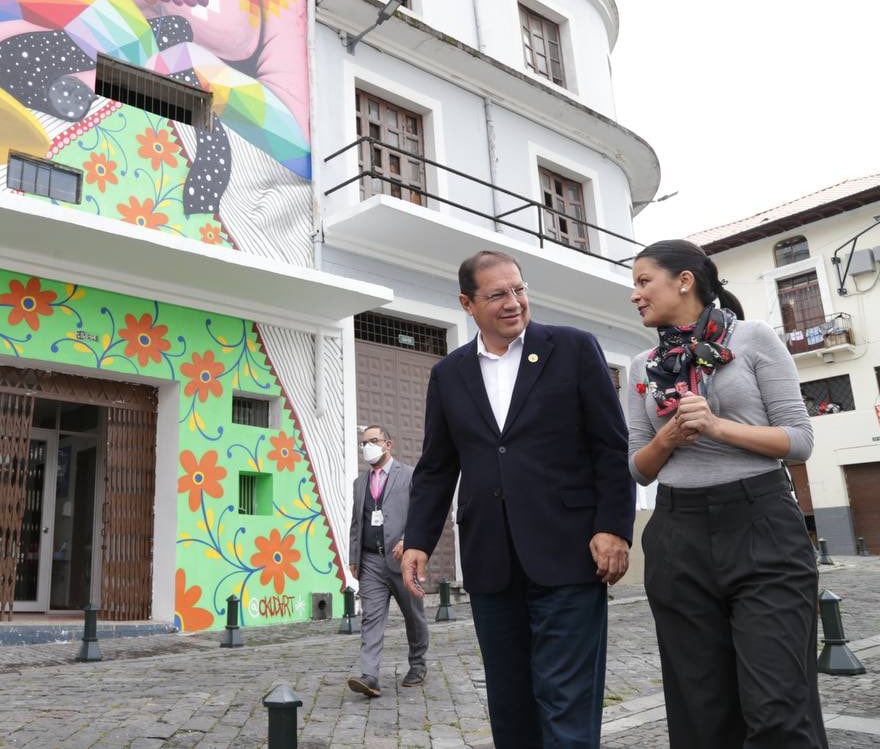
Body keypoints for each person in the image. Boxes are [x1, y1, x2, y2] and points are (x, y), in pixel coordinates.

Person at [402, 250, 634, 748]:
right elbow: (437, 466)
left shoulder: (573, 348)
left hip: (571, 553)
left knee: (566, 701)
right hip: (491, 560)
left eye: (519, 290)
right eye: (497, 295)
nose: (513, 302)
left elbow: (611, 446)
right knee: (509, 704)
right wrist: (418, 539)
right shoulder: (449, 374)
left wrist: (613, 527)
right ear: (467, 303)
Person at [626, 239, 826, 748]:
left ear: (684, 281)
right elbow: (639, 468)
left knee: (778, 708)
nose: (635, 294)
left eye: (644, 281)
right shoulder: (643, 366)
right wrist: (670, 437)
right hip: (677, 535)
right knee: (702, 714)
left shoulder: (754, 338)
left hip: (762, 527)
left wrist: (716, 426)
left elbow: (799, 440)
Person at [345, 425, 429, 697]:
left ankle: (418, 664)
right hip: (370, 561)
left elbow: (421, 513)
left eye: (373, 441)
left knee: (413, 616)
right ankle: (369, 676)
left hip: (403, 560)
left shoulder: (409, 475)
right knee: (370, 618)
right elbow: (356, 523)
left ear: (388, 444)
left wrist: (409, 540)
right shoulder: (359, 483)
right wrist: (354, 556)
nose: (367, 447)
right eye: (363, 443)